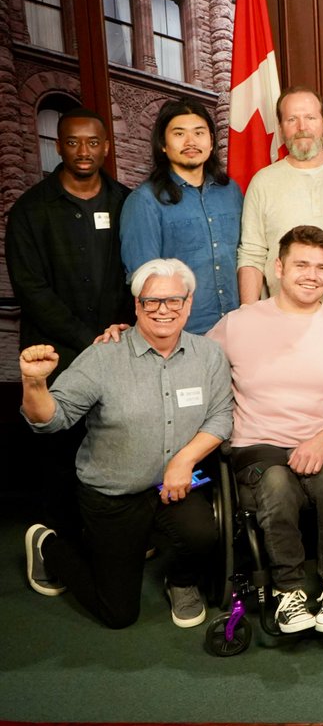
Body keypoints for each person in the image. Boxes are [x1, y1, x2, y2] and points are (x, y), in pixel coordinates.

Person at [20, 258, 232, 629]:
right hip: (113, 495)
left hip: (174, 488)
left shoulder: (209, 355)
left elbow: (220, 417)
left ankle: (180, 582)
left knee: (203, 534)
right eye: (152, 301)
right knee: (118, 614)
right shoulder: (104, 355)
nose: (163, 311)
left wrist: (185, 459)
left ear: (189, 303)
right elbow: (52, 420)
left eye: (174, 300)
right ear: (136, 306)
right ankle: (47, 546)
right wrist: (35, 385)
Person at [209, 226, 323, 634]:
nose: (312, 275)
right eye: (301, 264)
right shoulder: (237, 324)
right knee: (278, 484)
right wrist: (132, 335)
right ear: (278, 267)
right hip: (259, 445)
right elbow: (189, 363)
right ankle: (289, 593)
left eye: (322, 267)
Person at [6, 108, 133, 531]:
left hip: (118, 345)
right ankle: (53, 542)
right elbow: (31, 289)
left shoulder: (127, 203)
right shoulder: (30, 210)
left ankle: (112, 535)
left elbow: (140, 270)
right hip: (55, 351)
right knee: (58, 450)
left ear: (107, 148)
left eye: (93, 142)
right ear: (58, 147)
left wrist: (120, 332)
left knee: (115, 439)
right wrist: (87, 336)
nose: (84, 151)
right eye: (73, 142)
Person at [120, 98, 242, 333]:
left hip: (236, 328)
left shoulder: (231, 192)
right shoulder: (145, 201)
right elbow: (145, 282)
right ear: (163, 144)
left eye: (199, 133)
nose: (191, 142)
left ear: (211, 142)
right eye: (179, 134)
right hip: (185, 335)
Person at [236, 86, 323, 302]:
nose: (302, 127)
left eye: (310, 117)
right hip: (281, 319)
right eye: (292, 119)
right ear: (281, 129)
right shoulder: (263, 182)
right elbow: (251, 255)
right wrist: (248, 315)